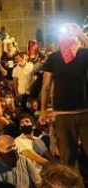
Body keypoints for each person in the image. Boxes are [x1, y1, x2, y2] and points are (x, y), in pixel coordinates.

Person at [39, 23, 88, 168]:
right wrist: (43, 110)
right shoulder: (53, 58)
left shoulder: (85, 54)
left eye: (71, 32)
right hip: (63, 114)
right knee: (67, 159)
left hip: (85, 112)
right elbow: (46, 86)